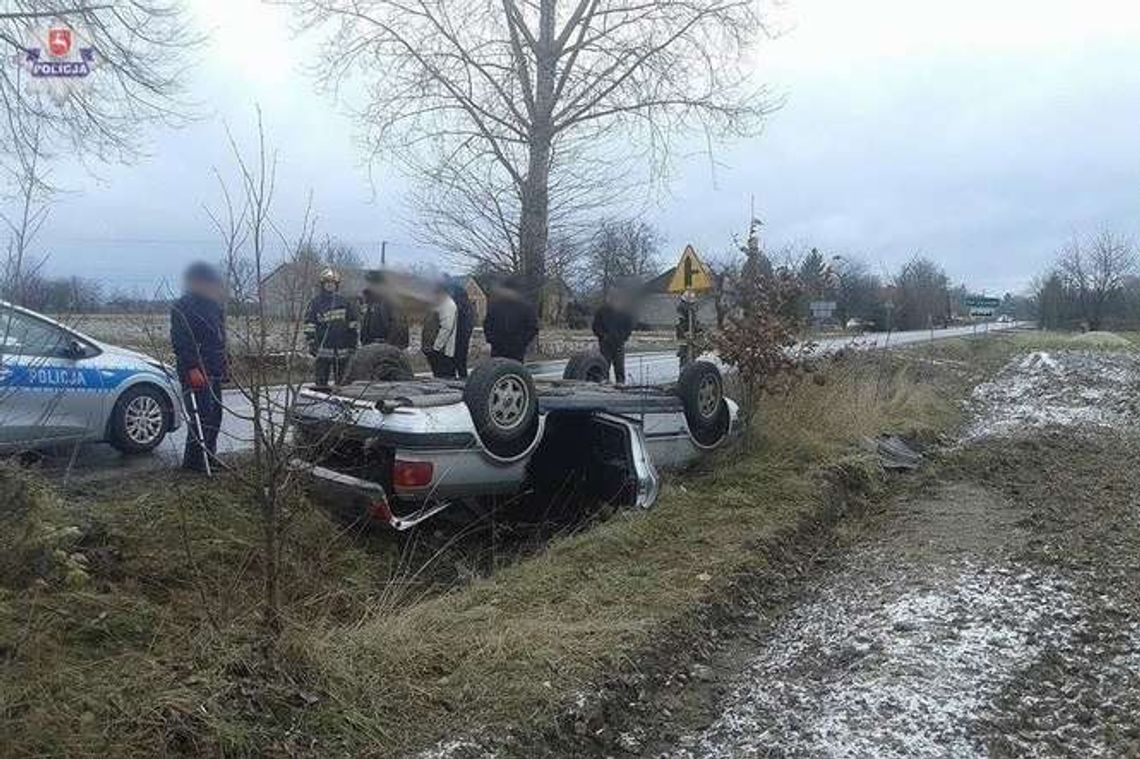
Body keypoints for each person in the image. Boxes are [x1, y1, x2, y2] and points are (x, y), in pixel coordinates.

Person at [170, 262, 228, 473]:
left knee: (215, 416)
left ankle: (209, 455)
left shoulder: (214, 307)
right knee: (201, 416)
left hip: (213, 368)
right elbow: (181, 341)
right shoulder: (183, 307)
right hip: (195, 370)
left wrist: (224, 365)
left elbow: (220, 339)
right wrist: (192, 367)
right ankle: (194, 462)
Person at [303, 268, 360, 386]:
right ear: (322, 285)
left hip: (342, 350)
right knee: (321, 383)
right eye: (327, 283)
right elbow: (309, 325)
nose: (330, 285)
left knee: (343, 383)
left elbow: (352, 324)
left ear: (336, 285)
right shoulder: (315, 303)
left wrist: (352, 344)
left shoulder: (345, 302)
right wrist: (312, 343)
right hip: (323, 350)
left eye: (332, 283)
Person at [483, 275, 538, 362]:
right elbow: (487, 325)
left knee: (511, 372)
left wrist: (521, 342)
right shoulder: (496, 306)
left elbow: (532, 327)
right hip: (500, 349)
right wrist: (493, 341)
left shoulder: (525, 307)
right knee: (503, 372)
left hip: (515, 349)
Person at [592, 288, 634, 384]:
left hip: (619, 343)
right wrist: (603, 336)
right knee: (604, 365)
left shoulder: (625, 312)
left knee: (619, 366)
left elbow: (629, 327)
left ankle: (621, 384)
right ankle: (605, 384)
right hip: (605, 343)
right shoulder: (601, 311)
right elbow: (595, 326)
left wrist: (623, 337)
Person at [421, 282, 459, 378]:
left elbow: (447, 328)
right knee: (438, 375)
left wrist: (437, 347)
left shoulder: (447, 304)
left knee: (445, 377)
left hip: (442, 352)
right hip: (433, 349)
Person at [449, 280, 475, 378]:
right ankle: (462, 378)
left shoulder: (458, 304)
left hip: (457, 336)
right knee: (461, 361)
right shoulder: (467, 305)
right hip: (463, 336)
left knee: (455, 362)